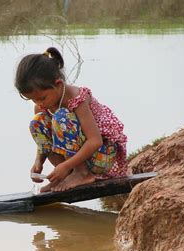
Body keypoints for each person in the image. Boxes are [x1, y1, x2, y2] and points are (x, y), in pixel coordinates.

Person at [15, 47, 127, 193]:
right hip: (75, 161)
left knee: (61, 117)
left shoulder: (77, 99)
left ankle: (82, 173)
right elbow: (44, 138)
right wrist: (38, 161)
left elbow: (95, 140)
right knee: (37, 122)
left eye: (42, 98)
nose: (39, 103)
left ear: (59, 84)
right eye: (33, 99)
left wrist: (67, 165)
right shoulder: (42, 107)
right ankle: (66, 175)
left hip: (102, 155)